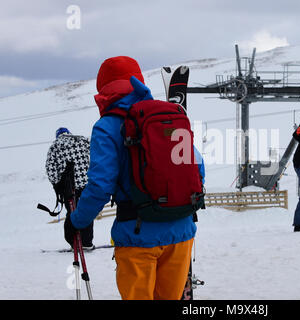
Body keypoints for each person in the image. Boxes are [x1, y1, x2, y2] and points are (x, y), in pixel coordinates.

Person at [65, 56, 204, 300]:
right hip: (181, 233)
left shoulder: (106, 126)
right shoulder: (168, 115)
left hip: (137, 234)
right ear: (139, 81)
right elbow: (198, 168)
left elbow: (100, 185)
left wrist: (77, 221)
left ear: (103, 90)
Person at [45, 127, 94, 249]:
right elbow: (96, 154)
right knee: (86, 211)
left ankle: (74, 242)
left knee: (72, 212)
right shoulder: (82, 140)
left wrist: (57, 184)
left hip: (69, 188)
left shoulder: (55, 146)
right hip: (86, 184)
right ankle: (87, 242)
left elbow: (50, 169)